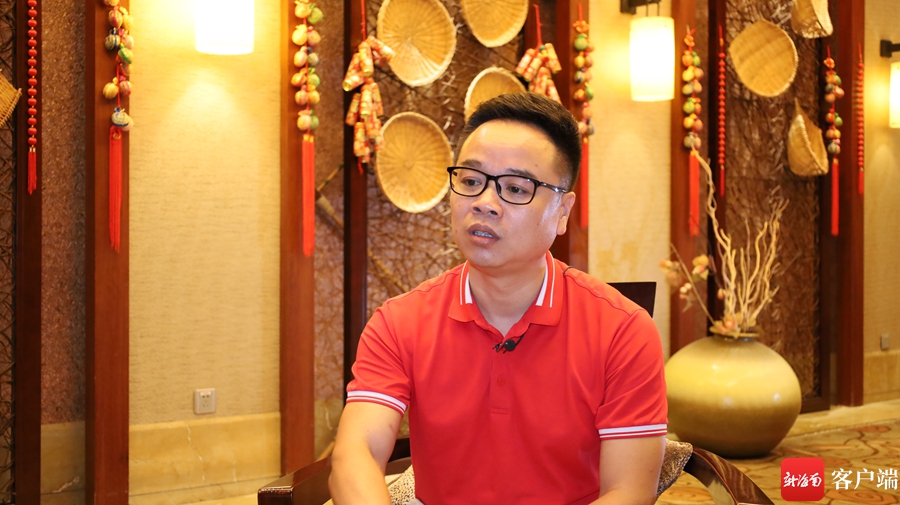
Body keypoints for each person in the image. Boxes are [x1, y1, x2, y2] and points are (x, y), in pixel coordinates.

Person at [329, 92, 667, 505]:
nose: (485, 204)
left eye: (515, 188)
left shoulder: (623, 330)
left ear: (562, 211)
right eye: (471, 182)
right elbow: (356, 454)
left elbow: (628, 491)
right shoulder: (398, 323)